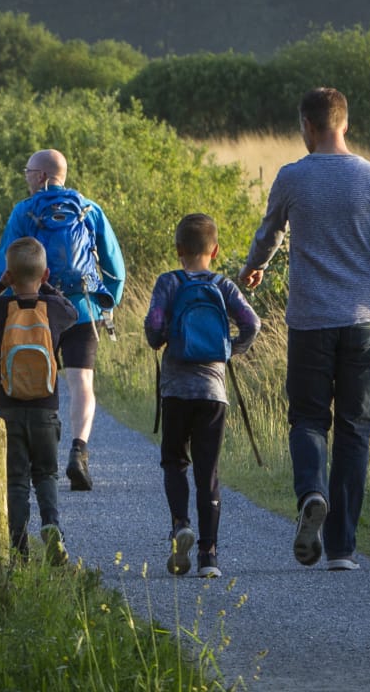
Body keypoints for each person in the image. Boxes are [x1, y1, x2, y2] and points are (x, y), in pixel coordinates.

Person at [239, 87, 370, 572]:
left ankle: (311, 492)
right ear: (345, 124)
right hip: (364, 323)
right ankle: (341, 549)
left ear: (307, 126)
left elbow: (269, 232)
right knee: (355, 431)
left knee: (309, 419)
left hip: (310, 321)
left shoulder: (292, 177)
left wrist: (256, 266)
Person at [0, 148, 125, 491]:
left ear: (41, 177)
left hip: (37, 309)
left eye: (27, 171)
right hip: (82, 310)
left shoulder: (24, 211)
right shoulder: (89, 209)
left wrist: (1, 316)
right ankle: (79, 450)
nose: (26, 177)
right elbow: (115, 266)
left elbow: (5, 268)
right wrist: (105, 302)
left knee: (41, 377)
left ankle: (42, 455)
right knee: (82, 383)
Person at [143, 214, 260, 578]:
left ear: (178, 250)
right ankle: (209, 556)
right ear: (216, 250)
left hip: (176, 391)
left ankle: (181, 525)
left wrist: (160, 342)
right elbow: (252, 322)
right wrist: (229, 350)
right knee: (208, 471)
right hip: (213, 392)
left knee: (175, 461)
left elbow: (154, 326)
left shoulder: (168, 283)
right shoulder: (224, 286)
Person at [0, 237, 78, 564]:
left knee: (16, 479)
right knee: (46, 474)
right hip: (46, 408)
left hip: (10, 407)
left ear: (10, 275)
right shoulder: (55, 309)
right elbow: (73, 313)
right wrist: (48, 288)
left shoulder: (3, 308)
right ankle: (51, 525)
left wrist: (0, 288)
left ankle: (19, 549)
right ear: (44, 274)